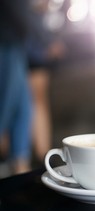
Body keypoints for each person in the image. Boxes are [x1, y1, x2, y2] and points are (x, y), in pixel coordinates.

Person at [26, 0, 65, 164]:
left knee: (35, 102)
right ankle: (42, 155)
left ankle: (40, 155)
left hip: (31, 50)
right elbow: (27, 14)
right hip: (31, 50)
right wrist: (49, 40)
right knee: (37, 102)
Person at [0, 0, 33, 175]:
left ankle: (21, 171)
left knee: (23, 111)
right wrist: (43, 36)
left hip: (14, 43)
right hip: (4, 42)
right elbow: (18, 9)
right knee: (3, 108)